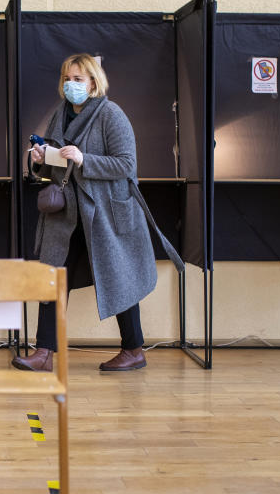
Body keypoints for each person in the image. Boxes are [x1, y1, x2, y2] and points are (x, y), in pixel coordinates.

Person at [12, 53, 184, 373]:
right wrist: (39, 160)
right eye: (67, 78)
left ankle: (133, 349)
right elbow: (53, 169)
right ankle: (43, 352)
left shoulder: (110, 114)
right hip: (66, 215)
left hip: (104, 214)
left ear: (93, 81)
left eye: (78, 79)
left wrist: (83, 158)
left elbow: (126, 165)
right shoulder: (59, 115)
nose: (71, 85)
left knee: (118, 277)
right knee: (53, 277)